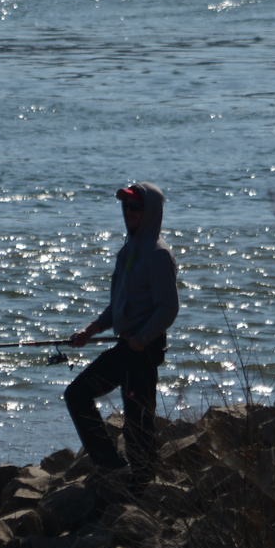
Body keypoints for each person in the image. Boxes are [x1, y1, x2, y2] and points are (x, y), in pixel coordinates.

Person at [64, 182, 178, 480]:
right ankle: (112, 465)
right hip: (125, 348)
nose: (128, 212)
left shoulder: (158, 254)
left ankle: (144, 486)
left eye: (135, 207)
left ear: (150, 211)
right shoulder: (128, 251)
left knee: (138, 423)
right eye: (125, 206)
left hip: (143, 350)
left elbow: (168, 308)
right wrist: (91, 330)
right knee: (77, 395)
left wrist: (141, 340)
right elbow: (117, 307)